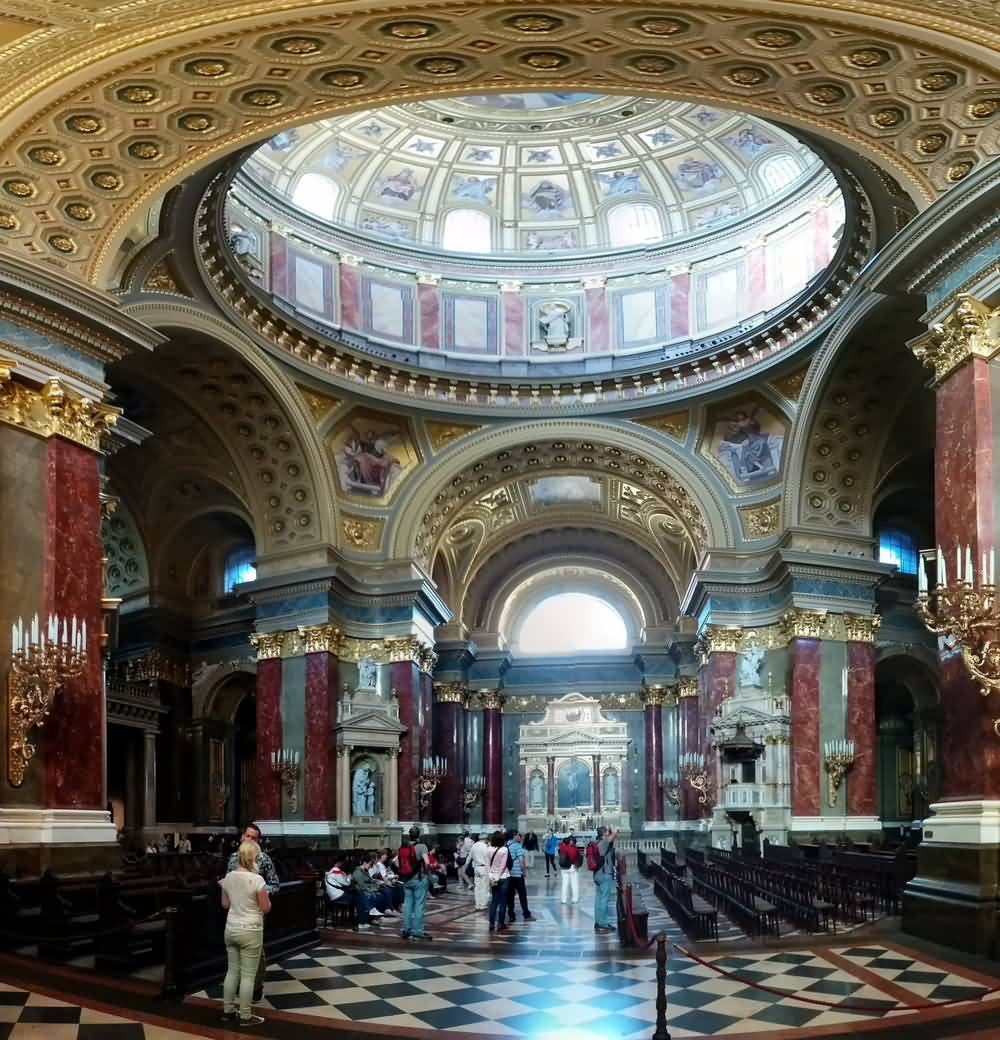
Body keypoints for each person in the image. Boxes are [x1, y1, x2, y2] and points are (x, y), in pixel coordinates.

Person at [219, 839, 271, 1028]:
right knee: (248, 976)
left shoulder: (228, 878)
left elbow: (225, 905)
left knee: (232, 972)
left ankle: (227, 1011)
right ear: (254, 858)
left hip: (231, 928)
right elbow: (265, 908)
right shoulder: (257, 880)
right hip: (250, 930)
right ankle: (246, 1016)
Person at [227, 824, 280, 1001]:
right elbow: (227, 889)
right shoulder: (233, 858)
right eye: (246, 836)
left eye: (253, 837)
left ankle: (254, 988)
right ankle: (239, 995)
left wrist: (260, 893)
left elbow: (274, 884)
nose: (248, 840)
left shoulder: (264, 860)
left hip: (255, 910)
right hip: (236, 912)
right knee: (235, 959)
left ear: (258, 841)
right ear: (242, 837)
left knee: (256, 952)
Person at [399, 826, 432, 941]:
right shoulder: (422, 846)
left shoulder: (404, 846)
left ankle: (406, 929)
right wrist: (429, 876)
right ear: (419, 835)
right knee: (419, 905)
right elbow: (427, 863)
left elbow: (397, 863)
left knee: (407, 905)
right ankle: (418, 931)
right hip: (419, 879)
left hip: (406, 879)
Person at [592, 825, 618, 933]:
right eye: (607, 832)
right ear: (604, 834)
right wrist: (614, 830)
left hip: (597, 874)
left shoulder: (596, 842)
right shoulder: (604, 842)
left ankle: (598, 921)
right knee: (604, 900)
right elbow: (614, 834)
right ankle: (603, 923)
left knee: (598, 899)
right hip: (605, 874)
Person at [505, 830, 534, 922]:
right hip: (517, 874)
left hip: (508, 874)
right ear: (514, 836)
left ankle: (511, 914)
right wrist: (524, 871)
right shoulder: (517, 846)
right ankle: (526, 914)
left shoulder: (505, 845)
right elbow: (521, 861)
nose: (520, 837)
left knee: (510, 895)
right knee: (522, 895)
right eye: (518, 835)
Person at [487, 831, 511, 934]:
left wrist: (491, 875)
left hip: (492, 877)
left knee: (494, 901)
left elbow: (487, 864)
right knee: (503, 902)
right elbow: (503, 865)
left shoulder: (488, 849)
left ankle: (491, 923)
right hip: (503, 877)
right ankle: (500, 924)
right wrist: (497, 876)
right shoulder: (504, 849)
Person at [558, 834, 582, 904]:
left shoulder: (563, 847)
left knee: (564, 884)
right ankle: (575, 899)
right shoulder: (575, 849)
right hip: (573, 867)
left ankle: (563, 899)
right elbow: (578, 858)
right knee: (574, 884)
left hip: (564, 868)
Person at [470, 832, 491, 911]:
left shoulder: (474, 845)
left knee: (477, 887)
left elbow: (470, 856)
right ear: (486, 839)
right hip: (484, 868)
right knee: (484, 887)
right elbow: (488, 858)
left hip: (476, 868)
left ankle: (477, 904)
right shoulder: (485, 846)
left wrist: (466, 865)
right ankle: (483, 905)